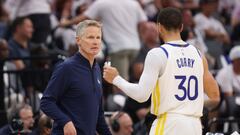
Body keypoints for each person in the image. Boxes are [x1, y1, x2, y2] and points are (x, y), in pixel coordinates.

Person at [103, 7, 220, 135]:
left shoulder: (158, 54)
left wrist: (116, 79)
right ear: (181, 27)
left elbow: (141, 95)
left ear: (159, 27)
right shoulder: (199, 55)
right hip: (195, 125)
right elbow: (214, 96)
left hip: (169, 124)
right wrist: (188, 107)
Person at [40, 20, 111, 135]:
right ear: (78, 40)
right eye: (90, 37)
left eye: (98, 38)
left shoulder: (97, 68)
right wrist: (66, 122)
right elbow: (46, 102)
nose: (95, 42)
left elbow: (99, 115)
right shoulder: (66, 68)